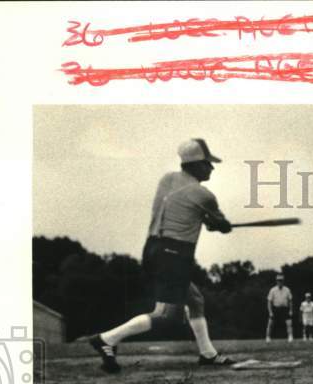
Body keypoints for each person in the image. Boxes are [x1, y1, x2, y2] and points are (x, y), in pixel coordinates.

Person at [89, 138, 235, 372]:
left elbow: (185, 208)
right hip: (174, 254)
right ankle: (107, 339)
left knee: (195, 300)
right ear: (196, 164)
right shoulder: (204, 194)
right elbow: (218, 222)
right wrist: (221, 225)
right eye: (208, 163)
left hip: (153, 249)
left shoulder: (167, 180)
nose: (212, 168)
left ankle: (208, 354)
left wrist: (210, 221)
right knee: (167, 315)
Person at [266, 273, 293, 342]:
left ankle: (290, 336)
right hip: (276, 308)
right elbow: (269, 302)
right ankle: (268, 337)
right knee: (270, 323)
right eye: (278, 280)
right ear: (276, 281)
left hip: (284, 308)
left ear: (283, 281)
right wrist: (270, 312)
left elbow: (290, 301)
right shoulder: (272, 290)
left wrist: (290, 310)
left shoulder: (287, 290)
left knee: (289, 323)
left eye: (281, 280)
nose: (280, 282)